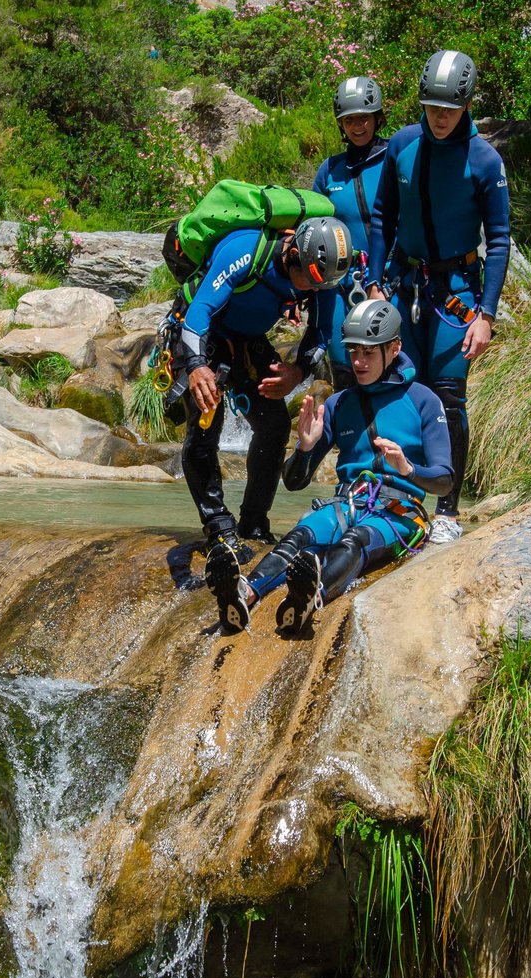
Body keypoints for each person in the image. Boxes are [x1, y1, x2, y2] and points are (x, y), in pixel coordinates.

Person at [205, 299, 453, 634]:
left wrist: (408, 469)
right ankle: (243, 593)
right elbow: (294, 482)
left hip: (400, 512)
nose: (358, 362)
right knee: (297, 539)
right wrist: (305, 447)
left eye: (368, 353)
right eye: (353, 352)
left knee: (354, 541)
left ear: (394, 348)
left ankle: (310, 597)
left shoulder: (424, 400)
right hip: (346, 503)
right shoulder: (338, 404)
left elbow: (445, 481)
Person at [366, 49, 510, 544]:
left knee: (448, 396)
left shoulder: (484, 160)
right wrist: (376, 280)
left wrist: (486, 313)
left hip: (456, 293)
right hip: (405, 284)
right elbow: (382, 214)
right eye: (432, 108)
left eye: (449, 108)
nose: (440, 117)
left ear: (467, 104)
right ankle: (405, 502)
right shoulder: (403, 145)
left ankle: (447, 510)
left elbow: (499, 237)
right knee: (406, 389)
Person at [173, 216, 353, 563]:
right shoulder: (245, 251)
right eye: (312, 282)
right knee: (207, 420)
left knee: (274, 425)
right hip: (199, 334)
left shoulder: (321, 277)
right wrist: (195, 366)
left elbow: (320, 334)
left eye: (323, 285)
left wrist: (298, 370)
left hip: (246, 340)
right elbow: (199, 314)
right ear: (293, 255)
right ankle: (218, 528)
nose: (315, 291)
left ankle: (253, 523)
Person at [312, 76, 390, 390]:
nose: (358, 126)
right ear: (341, 125)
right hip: (339, 284)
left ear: (378, 118)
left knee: (388, 367)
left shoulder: (393, 158)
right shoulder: (329, 171)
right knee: (345, 372)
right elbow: (313, 233)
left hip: (388, 278)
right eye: (350, 120)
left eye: (364, 118)